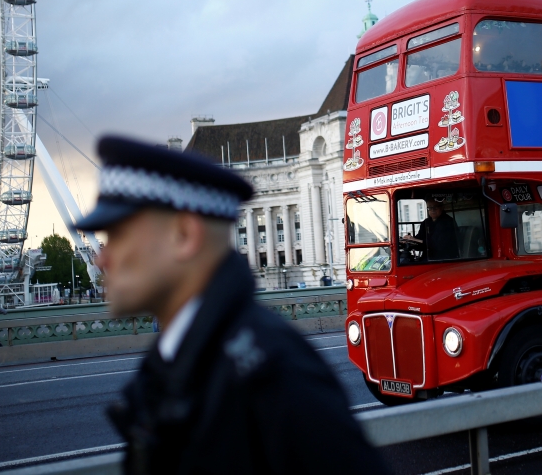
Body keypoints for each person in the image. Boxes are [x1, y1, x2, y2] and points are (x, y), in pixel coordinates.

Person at [78, 136, 390, 475]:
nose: (101, 259)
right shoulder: (171, 363)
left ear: (184, 235)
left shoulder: (274, 373)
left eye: (118, 236)